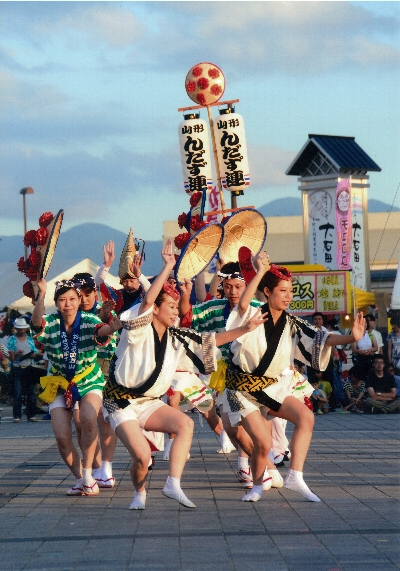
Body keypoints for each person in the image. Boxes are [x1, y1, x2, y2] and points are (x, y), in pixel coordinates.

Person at [101, 241, 267, 510]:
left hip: (149, 402)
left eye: (177, 307)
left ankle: (172, 484)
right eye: (171, 307)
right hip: (120, 401)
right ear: (156, 309)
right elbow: (146, 301)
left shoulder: (177, 336)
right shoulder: (138, 327)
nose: (176, 311)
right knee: (142, 458)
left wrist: (245, 328)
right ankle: (139, 493)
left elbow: (211, 341)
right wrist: (168, 266)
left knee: (185, 424)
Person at [223, 251, 365, 503]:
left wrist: (351, 338)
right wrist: (258, 273)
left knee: (306, 417)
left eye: (291, 291)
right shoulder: (252, 314)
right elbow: (242, 305)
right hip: (241, 390)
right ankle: (257, 486)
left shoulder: (291, 322)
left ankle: (295, 476)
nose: (289, 296)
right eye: (283, 291)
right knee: (263, 443)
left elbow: (321, 338)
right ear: (267, 292)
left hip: (270, 388)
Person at [179, 262, 284, 489]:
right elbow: (186, 318)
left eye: (238, 286)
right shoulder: (214, 308)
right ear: (222, 287)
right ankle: (264, 467)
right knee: (232, 428)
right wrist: (185, 295)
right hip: (227, 376)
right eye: (228, 287)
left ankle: (260, 469)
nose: (233, 292)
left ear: (246, 284)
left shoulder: (260, 308)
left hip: (256, 375)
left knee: (257, 427)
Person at [31, 277, 121, 496]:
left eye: (72, 299)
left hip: (88, 380)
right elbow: (36, 324)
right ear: (56, 302)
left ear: (79, 300)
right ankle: (82, 479)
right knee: (62, 438)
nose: (67, 304)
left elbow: (101, 331)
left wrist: (111, 328)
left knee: (89, 418)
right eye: (62, 299)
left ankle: (90, 473)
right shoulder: (51, 322)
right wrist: (41, 295)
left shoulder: (89, 319)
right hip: (59, 383)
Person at [71, 272, 118, 488]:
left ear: (94, 292)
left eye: (88, 293)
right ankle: (96, 467)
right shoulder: (68, 314)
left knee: (104, 418)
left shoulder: (106, 311)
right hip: (76, 373)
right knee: (81, 422)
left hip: (104, 367)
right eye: (79, 294)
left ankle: (106, 469)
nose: (84, 298)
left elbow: (108, 337)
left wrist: (105, 316)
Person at [95, 237, 151, 316]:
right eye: (125, 281)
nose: (128, 285)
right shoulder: (117, 297)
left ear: (138, 280)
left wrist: (139, 275)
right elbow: (97, 284)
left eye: (132, 280)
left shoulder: (145, 295)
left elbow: (152, 293)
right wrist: (106, 265)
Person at [7, 317, 39, 422]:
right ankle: (17, 416)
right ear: (16, 329)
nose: (21, 330)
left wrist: (33, 354)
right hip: (17, 368)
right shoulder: (12, 339)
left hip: (29, 367)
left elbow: (35, 352)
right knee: (17, 393)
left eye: (23, 329)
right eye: (19, 329)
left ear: (25, 329)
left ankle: (31, 415)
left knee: (31, 393)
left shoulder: (29, 339)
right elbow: (10, 357)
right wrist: (16, 354)